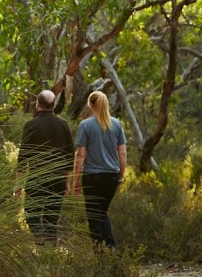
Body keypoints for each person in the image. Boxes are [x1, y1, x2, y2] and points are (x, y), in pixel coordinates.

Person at [16, 89, 74, 243]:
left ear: (37, 104)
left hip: (37, 180)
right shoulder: (63, 125)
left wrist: (18, 184)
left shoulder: (30, 125)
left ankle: (41, 244)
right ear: (53, 105)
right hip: (58, 181)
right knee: (51, 220)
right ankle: (51, 251)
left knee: (32, 215)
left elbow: (23, 157)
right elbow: (70, 155)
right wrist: (67, 182)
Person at [71, 90, 126, 249]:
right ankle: (110, 247)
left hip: (92, 177)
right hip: (111, 176)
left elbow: (80, 156)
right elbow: (122, 153)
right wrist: (120, 175)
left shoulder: (85, 125)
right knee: (102, 212)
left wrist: (76, 180)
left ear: (90, 104)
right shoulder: (116, 124)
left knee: (94, 215)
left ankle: (99, 252)